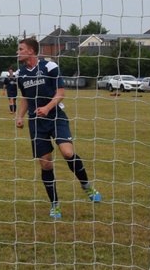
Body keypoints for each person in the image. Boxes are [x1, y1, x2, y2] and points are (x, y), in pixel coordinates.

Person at [15, 37, 102, 219]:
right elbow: (25, 98)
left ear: (30, 51)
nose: (18, 52)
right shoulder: (20, 74)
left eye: (20, 49)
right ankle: (55, 204)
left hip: (55, 116)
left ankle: (86, 185)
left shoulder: (49, 67)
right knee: (46, 163)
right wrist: (19, 116)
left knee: (68, 153)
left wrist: (47, 108)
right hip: (36, 122)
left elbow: (60, 92)